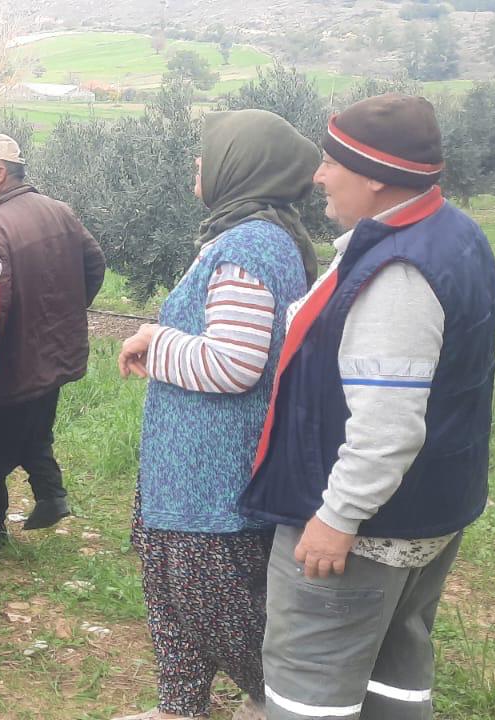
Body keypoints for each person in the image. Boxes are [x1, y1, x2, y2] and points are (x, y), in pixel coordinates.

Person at [239, 93, 495, 720]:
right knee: (396, 665)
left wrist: (337, 517)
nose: (318, 176)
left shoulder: (397, 274)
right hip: (428, 509)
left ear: (377, 177)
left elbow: (387, 424)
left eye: (332, 163)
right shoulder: (450, 232)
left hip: (362, 529)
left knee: (310, 683)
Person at [113, 110, 319, 720]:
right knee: (171, 597)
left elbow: (234, 365)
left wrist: (154, 338)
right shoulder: (240, 236)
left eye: (208, 154)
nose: (197, 166)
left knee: (215, 607)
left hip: (213, 475)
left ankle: (276, 701)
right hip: (186, 471)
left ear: (242, 164)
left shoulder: (251, 244)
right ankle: (181, 707)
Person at [0, 133, 106, 539]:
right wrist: (69, 313)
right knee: (35, 427)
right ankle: (51, 495)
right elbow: (95, 263)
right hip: (57, 352)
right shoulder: (60, 211)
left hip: (16, 362)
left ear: (0, 173)